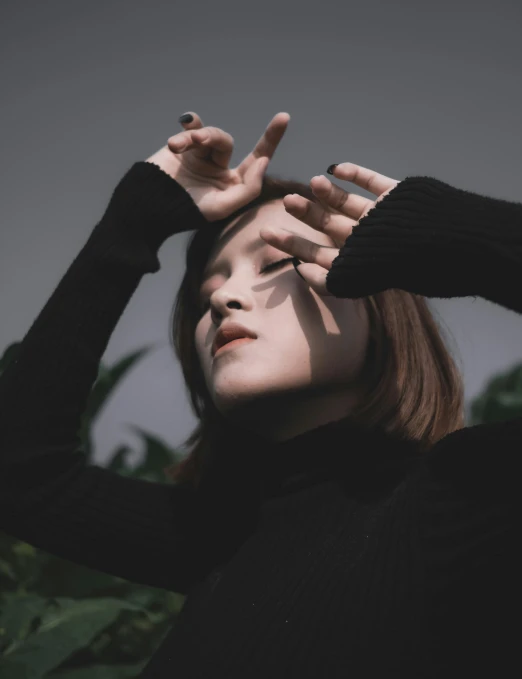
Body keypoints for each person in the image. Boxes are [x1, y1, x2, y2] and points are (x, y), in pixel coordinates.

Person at [0, 110, 521, 678]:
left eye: (274, 262)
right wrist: (133, 225)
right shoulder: (219, 535)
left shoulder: (472, 496)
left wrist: (458, 236)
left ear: (378, 298)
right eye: (206, 293)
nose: (225, 297)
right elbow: (22, 474)